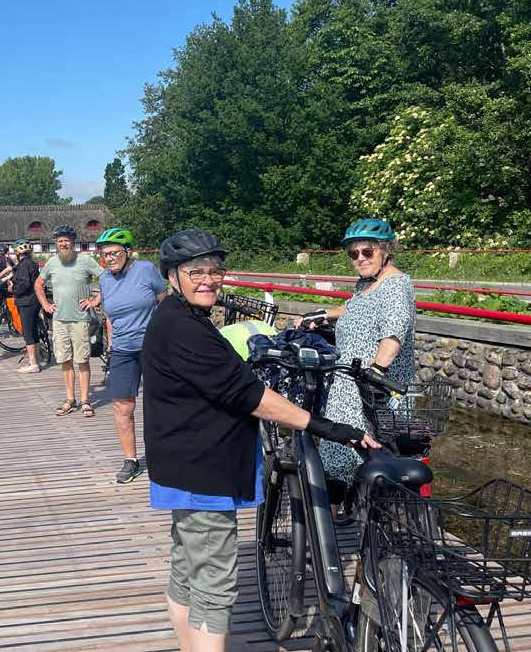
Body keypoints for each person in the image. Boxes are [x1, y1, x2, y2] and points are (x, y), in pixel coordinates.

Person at [143, 229, 377, 650]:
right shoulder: (185, 329)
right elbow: (248, 395)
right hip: (203, 476)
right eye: (196, 271)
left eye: (216, 271)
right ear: (173, 276)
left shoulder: (174, 316)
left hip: (181, 467)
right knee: (214, 590)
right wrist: (328, 428)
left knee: (186, 574)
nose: (208, 279)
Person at [302, 218, 415, 513]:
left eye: (367, 251)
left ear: (386, 251)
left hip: (370, 391)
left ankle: (331, 528)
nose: (360, 258)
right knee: (342, 456)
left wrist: (376, 372)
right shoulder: (366, 283)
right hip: (348, 387)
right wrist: (326, 315)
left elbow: (393, 333)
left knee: (341, 457)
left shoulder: (396, 285)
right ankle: (339, 521)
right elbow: (356, 307)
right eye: (354, 253)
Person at [93, 227, 166, 484]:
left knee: (160, 401)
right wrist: (111, 344)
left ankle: (165, 453)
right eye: (105, 254)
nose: (110, 258)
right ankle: (131, 460)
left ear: (127, 251)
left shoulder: (146, 270)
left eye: (114, 253)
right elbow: (110, 316)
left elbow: (164, 299)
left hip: (153, 347)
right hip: (123, 350)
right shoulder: (104, 279)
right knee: (123, 405)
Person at [35, 224, 104, 418]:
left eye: (67, 240)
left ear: (73, 242)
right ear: (56, 244)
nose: (63, 244)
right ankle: (70, 399)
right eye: (60, 241)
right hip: (59, 321)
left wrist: (95, 300)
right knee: (65, 360)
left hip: (80, 320)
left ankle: (85, 400)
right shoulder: (51, 263)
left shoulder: (85, 260)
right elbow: (38, 284)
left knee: (82, 361)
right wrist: (46, 305)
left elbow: (106, 279)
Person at [10, 240, 43, 373]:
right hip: (34, 300)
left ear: (18, 253)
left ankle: (33, 363)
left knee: (28, 332)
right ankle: (37, 359)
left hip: (26, 301)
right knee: (34, 331)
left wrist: (13, 289)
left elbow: (24, 284)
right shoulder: (32, 263)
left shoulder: (24, 265)